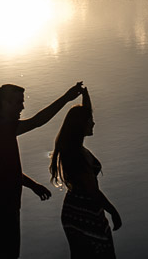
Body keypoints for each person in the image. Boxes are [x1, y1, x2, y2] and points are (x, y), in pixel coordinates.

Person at [0, 80, 85, 259]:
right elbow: (37, 121)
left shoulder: (1, 127)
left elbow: (7, 170)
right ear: (5, 103)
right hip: (0, 206)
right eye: (19, 102)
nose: (22, 107)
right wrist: (67, 98)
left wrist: (34, 185)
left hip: (2, 204)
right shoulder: (1, 129)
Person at [49, 86, 122, 258]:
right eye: (89, 120)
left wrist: (85, 95)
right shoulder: (76, 155)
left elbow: (85, 114)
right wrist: (113, 212)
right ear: (81, 125)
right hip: (82, 213)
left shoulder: (75, 146)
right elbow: (93, 191)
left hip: (80, 209)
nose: (93, 122)